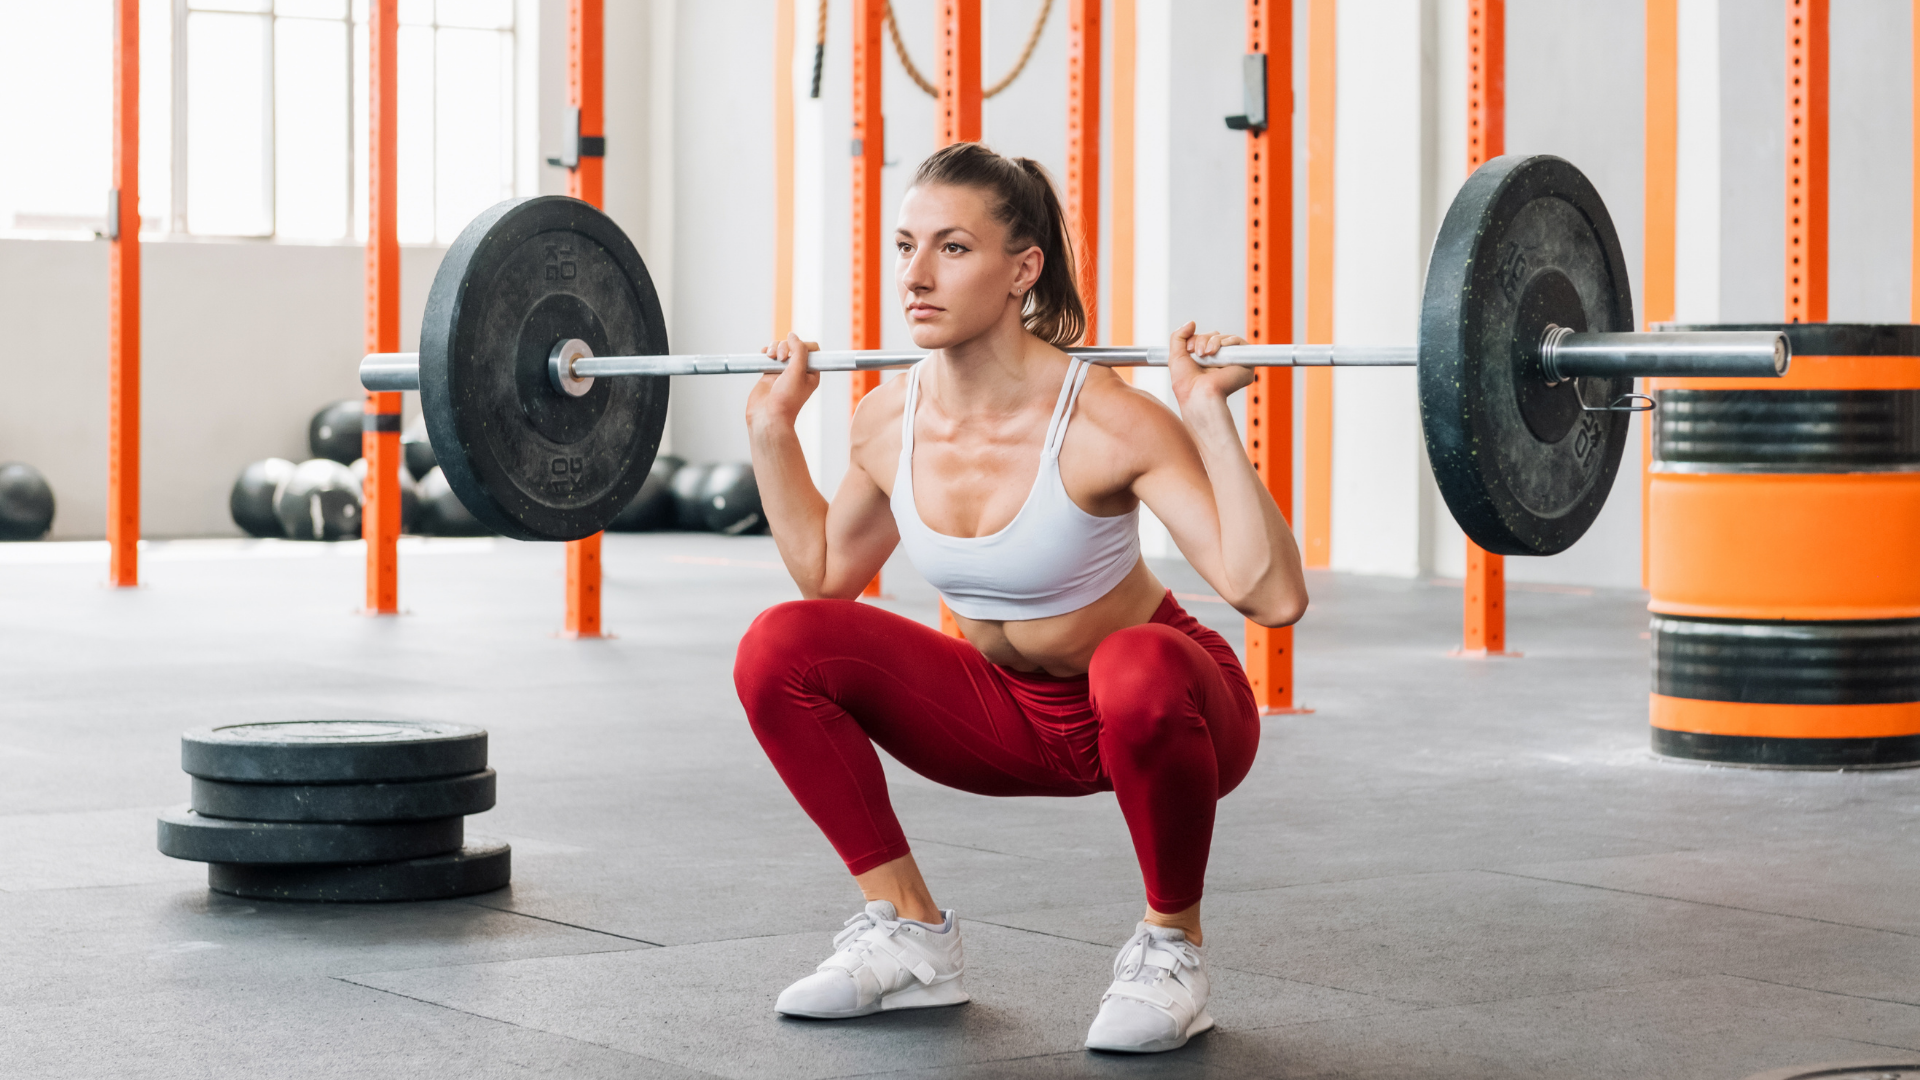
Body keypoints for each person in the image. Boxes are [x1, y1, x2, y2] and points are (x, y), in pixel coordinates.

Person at [733, 141, 1307, 1055]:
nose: (916, 275)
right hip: (1007, 714)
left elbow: (1271, 596)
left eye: (952, 248)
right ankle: (910, 932)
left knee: (1136, 663)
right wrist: (772, 432)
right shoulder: (888, 415)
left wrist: (1206, 415)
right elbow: (826, 577)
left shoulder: (1108, 416)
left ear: (1022, 269)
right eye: (905, 245)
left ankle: (1172, 951)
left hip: (1167, 710)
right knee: (779, 646)